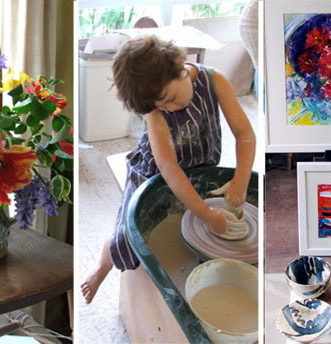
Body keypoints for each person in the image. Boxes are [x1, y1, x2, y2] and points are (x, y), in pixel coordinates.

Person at [80, 36, 256, 303]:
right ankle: (102, 265)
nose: (172, 108)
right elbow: (169, 168)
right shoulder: (156, 110)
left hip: (201, 162)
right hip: (153, 172)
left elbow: (244, 134)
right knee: (130, 235)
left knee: (205, 231)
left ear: (179, 64)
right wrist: (206, 214)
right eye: (163, 106)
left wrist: (241, 180)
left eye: (171, 99)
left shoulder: (215, 81)